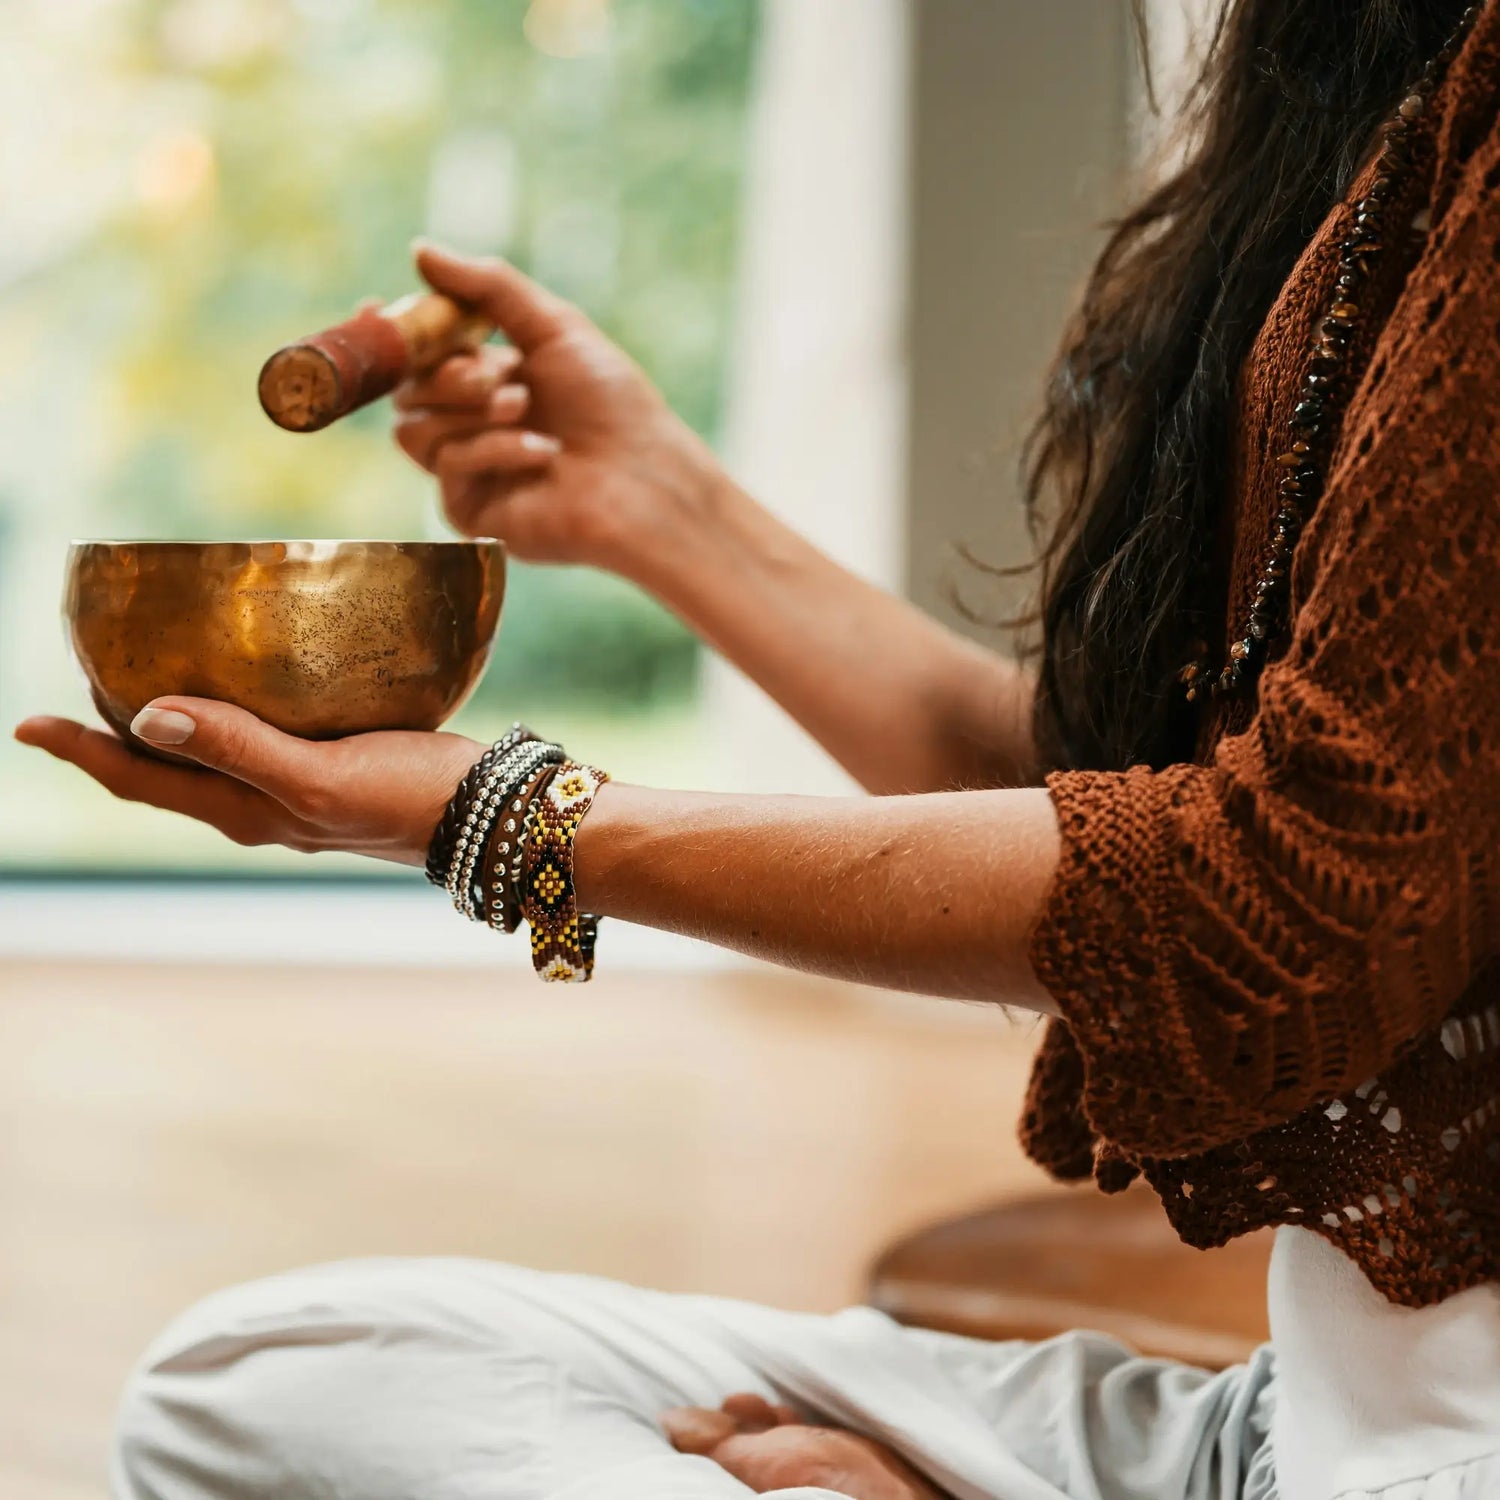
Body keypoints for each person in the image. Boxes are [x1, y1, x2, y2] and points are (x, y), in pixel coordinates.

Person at [16, 0, 1500, 1495]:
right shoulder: (1376, 87)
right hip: (1272, 1434)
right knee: (269, 1380)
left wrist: (509, 821)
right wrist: (662, 507)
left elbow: (1282, 893)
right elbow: (1106, 815)